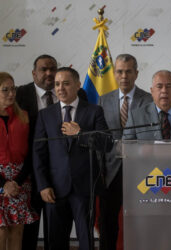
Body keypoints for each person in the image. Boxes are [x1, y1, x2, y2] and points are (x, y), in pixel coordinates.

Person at [16, 54, 87, 250]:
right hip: (28, 174)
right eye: (43, 69)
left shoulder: (79, 96)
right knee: (30, 232)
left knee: (56, 233)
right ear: (33, 73)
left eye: (52, 69)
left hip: (64, 178)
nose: (49, 73)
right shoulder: (20, 94)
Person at [32, 67, 108, 250]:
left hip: (84, 189)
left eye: (66, 83)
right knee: (55, 241)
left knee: (86, 241)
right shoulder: (45, 115)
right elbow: (38, 153)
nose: (60, 88)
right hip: (55, 189)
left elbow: (106, 144)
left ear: (78, 85)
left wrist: (80, 133)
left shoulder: (94, 111)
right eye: (57, 84)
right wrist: (43, 185)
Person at [98, 54, 152, 250]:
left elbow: (150, 135)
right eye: (120, 71)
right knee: (107, 222)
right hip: (110, 172)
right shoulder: (103, 100)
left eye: (128, 71)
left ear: (136, 73)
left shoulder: (148, 100)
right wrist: (100, 171)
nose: (124, 76)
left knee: (140, 221)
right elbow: (100, 138)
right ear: (114, 73)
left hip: (140, 170)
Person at [0, 72, 38, 250]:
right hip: (0, 181)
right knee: (1, 233)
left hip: (21, 181)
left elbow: (32, 153)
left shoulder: (24, 116)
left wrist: (17, 181)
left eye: (13, 89)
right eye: (5, 90)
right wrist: (4, 184)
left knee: (17, 232)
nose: (11, 94)